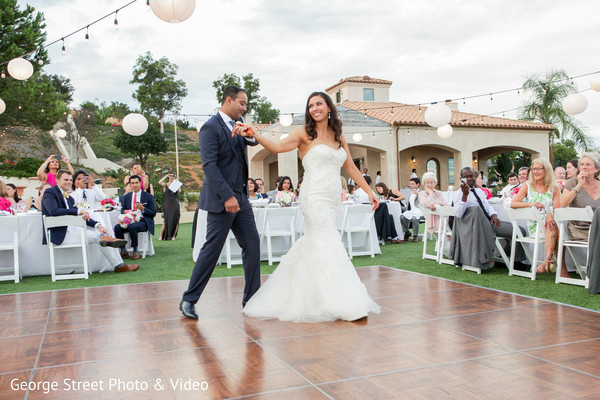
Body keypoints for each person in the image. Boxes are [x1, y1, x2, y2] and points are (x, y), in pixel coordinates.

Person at [235, 91, 380, 322]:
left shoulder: (338, 136)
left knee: (319, 241)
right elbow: (277, 147)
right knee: (326, 239)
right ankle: (340, 300)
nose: (315, 108)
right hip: (313, 196)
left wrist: (369, 192)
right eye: (311, 105)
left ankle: (316, 295)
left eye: (319, 104)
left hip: (333, 198)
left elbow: (351, 168)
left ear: (329, 107)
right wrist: (254, 133)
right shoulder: (303, 134)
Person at [180, 85, 261, 320]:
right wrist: (227, 197)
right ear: (228, 101)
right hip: (221, 199)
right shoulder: (210, 128)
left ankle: (251, 298)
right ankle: (189, 299)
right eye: (242, 103)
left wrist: (248, 132)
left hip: (242, 197)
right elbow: (210, 166)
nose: (245, 107)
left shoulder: (239, 123)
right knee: (212, 250)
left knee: (253, 245)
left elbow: (252, 143)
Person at [41, 170, 138, 272]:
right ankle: (119, 265)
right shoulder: (50, 192)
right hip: (59, 234)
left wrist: (97, 225)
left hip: (73, 231)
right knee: (101, 238)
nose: (68, 182)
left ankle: (118, 263)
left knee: (100, 234)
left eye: (70, 180)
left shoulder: (69, 198)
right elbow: (53, 211)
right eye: (65, 179)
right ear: (57, 180)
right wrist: (78, 210)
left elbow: (80, 216)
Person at [450, 167, 522, 271]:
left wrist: (494, 215)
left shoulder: (479, 191)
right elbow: (458, 214)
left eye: (471, 176)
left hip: (489, 222)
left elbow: (487, 206)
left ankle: (512, 259)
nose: (469, 179)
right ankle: (509, 261)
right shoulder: (458, 194)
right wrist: (465, 196)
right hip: (476, 227)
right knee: (516, 232)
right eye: (466, 177)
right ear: (461, 178)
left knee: (520, 231)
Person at [511, 158, 561, 274]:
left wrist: (550, 214)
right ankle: (549, 260)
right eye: (533, 169)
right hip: (535, 225)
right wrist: (531, 204)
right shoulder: (527, 186)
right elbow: (513, 203)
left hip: (550, 221)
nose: (535, 171)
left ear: (546, 170)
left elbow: (557, 209)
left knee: (552, 223)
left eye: (539, 168)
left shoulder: (554, 187)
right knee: (554, 227)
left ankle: (547, 260)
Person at [560, 153, 600, 276]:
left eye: (588, 164)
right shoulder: (572, 182)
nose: (584, 167)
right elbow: (563, 203)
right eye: (582, 164)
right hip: (579, 230)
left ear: (597, 169)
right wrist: (579, 185)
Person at [114, 175, 156, 260]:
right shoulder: (127, 196)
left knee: (132, 227)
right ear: (130, 184)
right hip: (129, 220)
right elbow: (122, 209)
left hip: (143, 221)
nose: (135, 185)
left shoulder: (148, 196)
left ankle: (135, 251)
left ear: (140, 183)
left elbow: (153, 212)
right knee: (117, 228)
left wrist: (143, 208)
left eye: (137, 182)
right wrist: (125, 212)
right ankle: (123, 250)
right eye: (132, 183)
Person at [399, 177, 423, 242]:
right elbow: (408, 206)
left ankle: (415, 236)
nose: (410, 185)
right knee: (402, 217)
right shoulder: (411, 194)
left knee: (414, 218)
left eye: (412, 184)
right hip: (412, 211)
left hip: (420, 211)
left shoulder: (422, 192)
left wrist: (418, 194)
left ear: (417, 184)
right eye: (410, 184)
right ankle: (407, 232)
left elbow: (425, 199)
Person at [158, 173, 181, 241]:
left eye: (173, 176)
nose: (172, 177)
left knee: (175, 219)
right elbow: (160, 182)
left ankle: (173, 235)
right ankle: (161, 236)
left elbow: (179, 190)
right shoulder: (165, 185)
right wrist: (165, 176)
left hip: (175, 203)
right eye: (170, 176)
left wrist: (177, 181)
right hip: (167, 203)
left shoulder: (176, 185)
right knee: (166, 219)